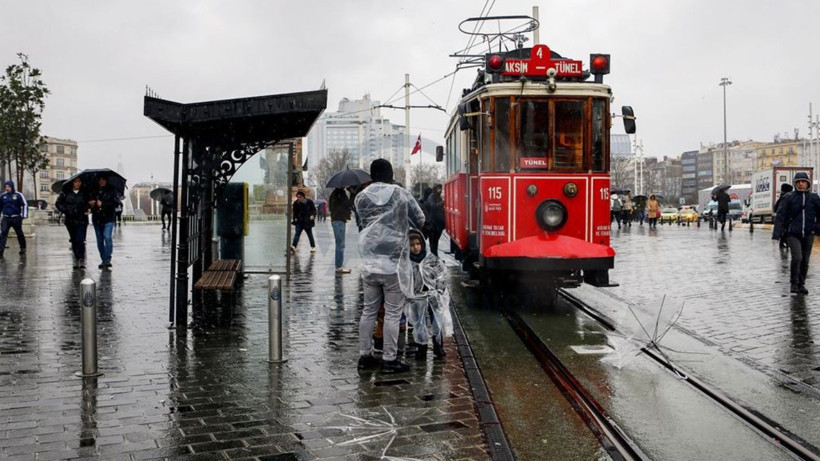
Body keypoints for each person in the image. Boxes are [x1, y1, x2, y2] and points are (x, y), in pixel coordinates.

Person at [355, 159, 425, 374]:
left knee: (368, 311)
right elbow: (420, 218)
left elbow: (364, 222)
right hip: (394, 262)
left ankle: (365, 355)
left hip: (369, 260)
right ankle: (389, 359)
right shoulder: (400, 193)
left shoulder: (361, 197)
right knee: (393, 313)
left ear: (371, 175)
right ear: (391, 173)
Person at [405, 230, 453, 361]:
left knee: (436, 321)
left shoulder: (431, 260)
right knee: (418, 323)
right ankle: (422, 347)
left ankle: (438, 346)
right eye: (412, 245)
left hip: (433, 296)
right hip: (416, 297)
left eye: (418, 244)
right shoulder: (406, 263)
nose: (415, 247)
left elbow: (441, 275)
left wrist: (439, 290)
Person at [772, 172, 820, 295]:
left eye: (803, 181)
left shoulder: (814, 198)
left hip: (808, 234)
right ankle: (793, 283)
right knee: (797, 257)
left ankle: (801, 284)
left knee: (805, 260)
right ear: (795, 184)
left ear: (808, 183)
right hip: (793, 234)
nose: (801, 184)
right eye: (798, 182)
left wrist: (816, 229)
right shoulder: (789, 197)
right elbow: (780, 216)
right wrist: (776, 234)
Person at [55, 177, 90, 269]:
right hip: (70, 220)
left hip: (81, 219)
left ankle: (81, 259)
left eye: (79, 181)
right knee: (74, 240)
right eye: (76, 182)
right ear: (72, 183)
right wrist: (66, 210)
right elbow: (58, 204)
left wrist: (88, 208)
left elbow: (89, 204)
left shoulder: (85, 193)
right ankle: (76, 257)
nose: (78, 184)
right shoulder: (65, 193)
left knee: (80, 239)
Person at [90, 176, 119, 268]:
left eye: (103, 179)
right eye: (99, 179)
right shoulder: (94, 190)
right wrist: (91, 204)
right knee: (99, 240)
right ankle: (103, 259)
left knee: (107, 237)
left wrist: (103, 204)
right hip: (97, 218)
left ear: (106, 180)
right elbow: (88, 202)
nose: (101, 181)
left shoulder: (112, 190)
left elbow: (116, 203)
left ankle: (107, 258)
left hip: (108, 218)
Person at [0, 180, 28, 258]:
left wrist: (23, 215)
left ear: (12, 187)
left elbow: (24, 205)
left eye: (8, 187)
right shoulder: (3, 196)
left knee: (19, 233)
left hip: (16, 218)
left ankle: (23, 248)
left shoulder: (18, 195)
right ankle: (1, 249)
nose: (7, 188)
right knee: (3, 233)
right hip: (6, 217)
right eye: (6, 187)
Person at [328, 188, 352, 274]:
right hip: (339, 220)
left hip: (337, 219)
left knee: (340, 244)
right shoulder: (340, 194)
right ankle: (339, 267)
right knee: (340, 244)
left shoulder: (334, 194)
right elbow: (348, 204)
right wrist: (351, 193)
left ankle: (339, 265)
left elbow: (331, 207)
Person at [424, 184, 445, 256]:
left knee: (435, 243)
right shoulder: (432, 197)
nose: (440, 190)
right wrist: (442, 203)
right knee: (433, 243)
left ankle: (435, 256)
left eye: (441, 188)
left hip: (438, 224)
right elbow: (433, 206)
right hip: (433, 225)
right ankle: (434, 257)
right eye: (439, 188)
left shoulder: (438, 197)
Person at [773, 183, 794, 248]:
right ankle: (784, 242)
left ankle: (783, 242)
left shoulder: (782, 198)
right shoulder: (787, 198)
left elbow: (775, 208)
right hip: (787, 219)